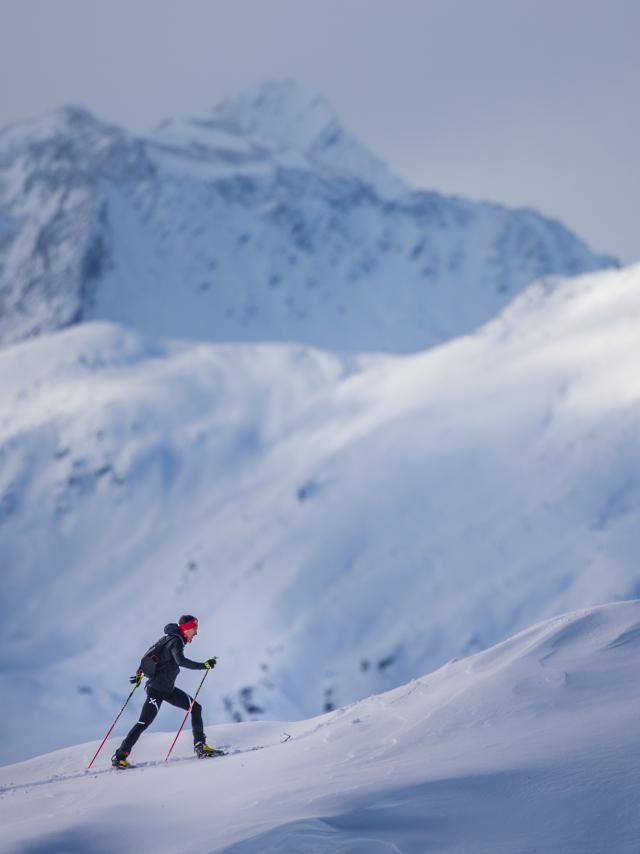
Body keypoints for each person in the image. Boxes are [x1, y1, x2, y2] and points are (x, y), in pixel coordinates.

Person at [111, 615, 219, 767]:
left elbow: (150, 656)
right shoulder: (176, 641)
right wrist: (204, 665)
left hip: (167, 689)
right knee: (143, 723)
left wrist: (139, 673)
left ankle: (200, 746)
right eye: (194, 629)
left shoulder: (168, 639)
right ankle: (119, 756)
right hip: (156, 690)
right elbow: (180, 661)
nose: (196, 633)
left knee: (196, 707)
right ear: (187, 629)